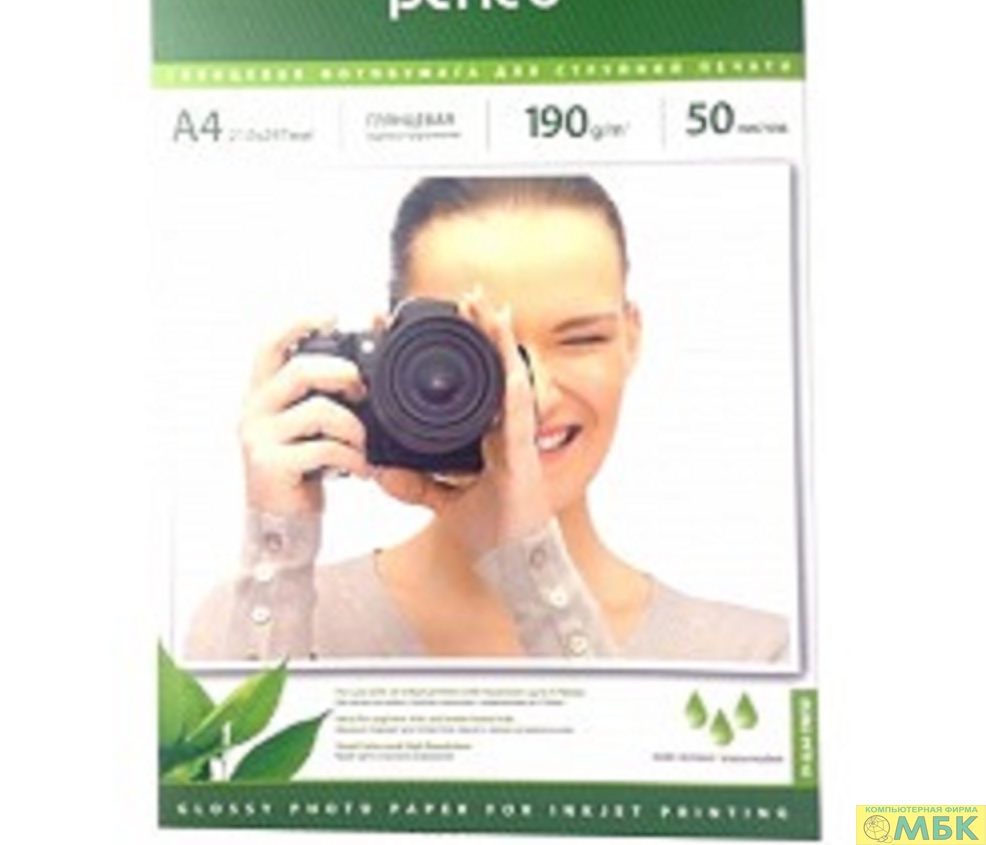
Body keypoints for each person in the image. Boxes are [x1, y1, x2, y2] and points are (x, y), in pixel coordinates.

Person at [185, 176, 788, 662]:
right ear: (391, 350)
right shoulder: (256, 616)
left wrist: (524, 558)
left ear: (631, 337)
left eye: (580, 339)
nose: (531, 393)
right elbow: (244, 775)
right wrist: (279, 542)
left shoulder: (751, 655)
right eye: (475, 349)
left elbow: (612, 771)